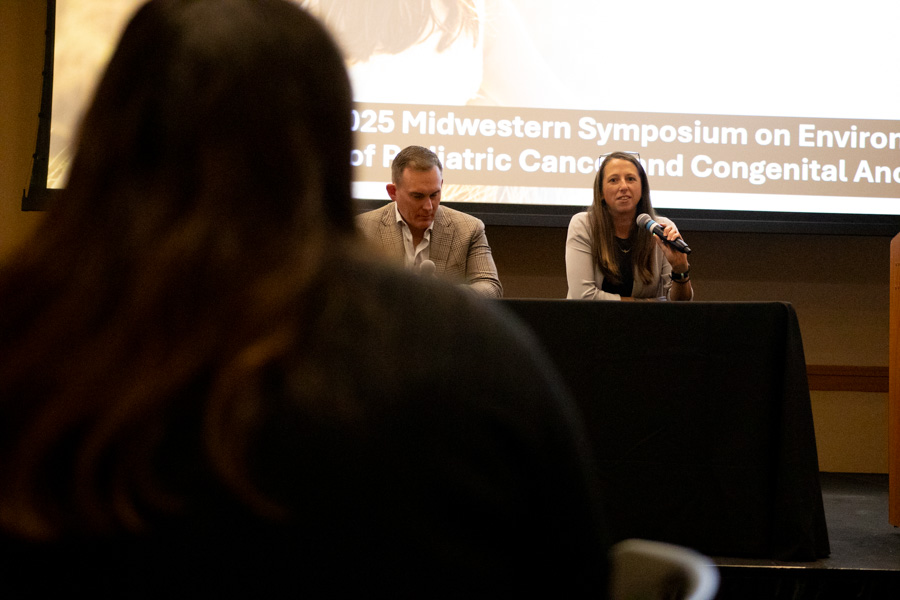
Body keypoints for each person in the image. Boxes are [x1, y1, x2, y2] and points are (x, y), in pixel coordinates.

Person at [0, 0, 607, 595]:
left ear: (109, 131)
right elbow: (571, 571)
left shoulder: (26, 332)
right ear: (325, 146)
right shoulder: (472, 355)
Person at [357, 145, 503, 298]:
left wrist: (445, 294)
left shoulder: (469, 229)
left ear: (441, 186)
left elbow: (491, 287)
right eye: (418, 196)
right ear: (393, 192)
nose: (428, 207)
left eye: (434, 195)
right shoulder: (363, 229)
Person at [566, 151, 694, 301]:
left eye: (631, 179)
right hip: (591, 321)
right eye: (614, 180)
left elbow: (680, 304)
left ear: (642, 188)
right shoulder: (583, 225)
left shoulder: (661, 228)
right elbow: (583, 296)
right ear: (600, 192)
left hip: (644, 324)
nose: (624, 186)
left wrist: (680, 270)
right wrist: (645, 303)